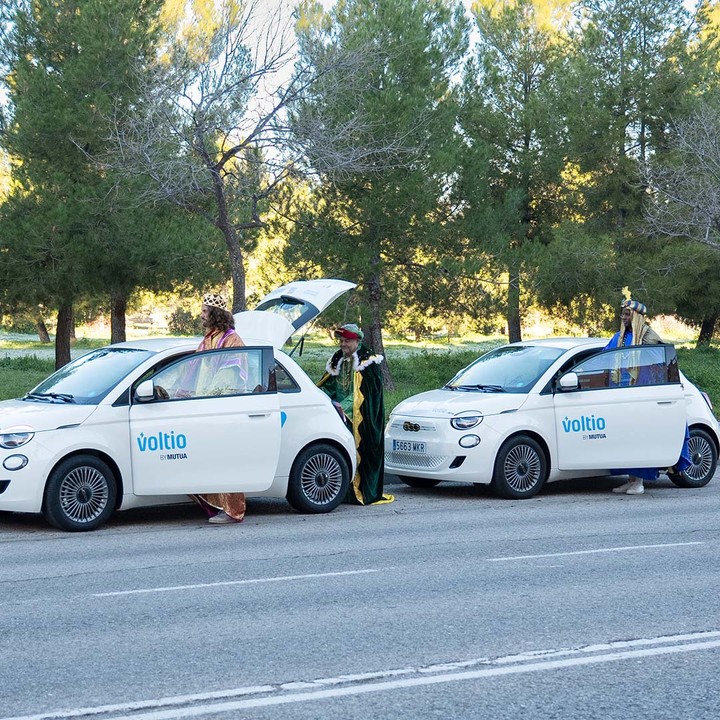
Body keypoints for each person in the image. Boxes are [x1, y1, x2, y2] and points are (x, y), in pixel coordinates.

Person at [604, 298, 690, 495]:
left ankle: (640, 481)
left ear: (636, 317)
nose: (623, 318)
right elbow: (605, 357)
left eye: (627, 314)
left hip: (642, 396)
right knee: (624, 437)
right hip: (621, 394)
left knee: (638, 437)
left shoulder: (648, 338)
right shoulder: (619, 337)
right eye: (622, 314)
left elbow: (659, 366)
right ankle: (630, 478)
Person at [317, 323, 393, 506]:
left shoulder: (368, 361)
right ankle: (343, 491)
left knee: (360, 449)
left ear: (357, 341)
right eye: (341, 341)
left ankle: (362, 492)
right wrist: (323, 403)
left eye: (347, 341)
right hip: (339, 413)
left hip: (361, 416)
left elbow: (367, 393)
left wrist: (342, 407)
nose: (343, 344)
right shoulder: (338, 358)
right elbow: (329, 386)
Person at [191, 292, 248, 524]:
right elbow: (192, 369)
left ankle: (233, 511)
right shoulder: (208, 339)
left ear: (215, 314)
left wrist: (206, 397)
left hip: (224, 411)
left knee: (225, 461)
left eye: (205, 311)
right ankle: (214, 505)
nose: (201, 315)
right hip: (204, 409)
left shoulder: (232, 340)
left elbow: (228, 377)